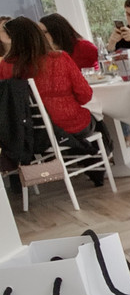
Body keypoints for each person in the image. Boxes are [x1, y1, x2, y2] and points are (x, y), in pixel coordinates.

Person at [0, 16, 111, 182]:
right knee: (97, 120)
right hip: (67, 124)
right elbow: (85, 95)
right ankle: (98, 166)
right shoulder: (59, 58)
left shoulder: (5, 66)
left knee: (82, 122)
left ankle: (91, 162)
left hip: (32, 132)